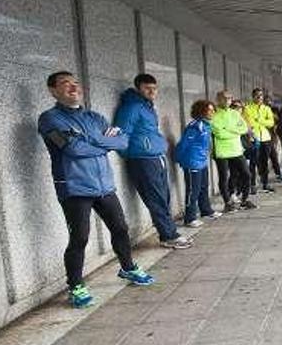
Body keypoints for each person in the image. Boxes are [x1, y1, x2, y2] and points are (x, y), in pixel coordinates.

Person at [38, 71, 154, 308]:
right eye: (64, 84)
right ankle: (76, 286)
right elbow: (73, 149)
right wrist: (104, 143)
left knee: (120, 229)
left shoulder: (95, 117)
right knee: (79, 237)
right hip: (74, 188)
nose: (72, 87)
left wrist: (93, 141)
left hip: (103, 185)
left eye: (75, 83)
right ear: (53, 91)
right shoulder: (50, 119)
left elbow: (122, 142)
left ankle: (128, 268)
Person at [114, 73, 191, 249]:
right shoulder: (132, 107)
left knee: (164, 197)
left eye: (154, 88)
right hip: (142, 159)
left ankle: (170, 231)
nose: (152, 91)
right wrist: (133, 153)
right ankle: (168, 235)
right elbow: (120, 133)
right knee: (156, 198)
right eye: (147, 88)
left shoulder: (147, 107)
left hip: (156, 157)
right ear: (138, 88)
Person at [174, 100, 222, 228]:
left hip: (202, 161)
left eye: (213, 110)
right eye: (209, 110)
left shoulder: (206, 125)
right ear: (201, 111)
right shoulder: (195, 126)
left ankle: (206, 210)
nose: (212, 112)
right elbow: (183, 144)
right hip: (192, 162)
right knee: (192, 191)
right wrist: (180, 159)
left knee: (203, 187)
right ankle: (189, 218)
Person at [211, 90, 255, 212]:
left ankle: (244, 200)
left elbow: (244, 128)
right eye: (224, 98)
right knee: (224, 177)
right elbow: (219, 133)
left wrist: (228, 129)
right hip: (222, 151)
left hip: (236, 149)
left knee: (246, 174)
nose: (227, 101)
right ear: (218, 100)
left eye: (229, 98)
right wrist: (234, 131)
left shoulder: (235, 114)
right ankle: (227, 203)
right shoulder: (214, 115)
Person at [243, 88, 278, 193]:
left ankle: (265, 183)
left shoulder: (266, 108)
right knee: (253, 162)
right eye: (257, 96)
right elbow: (248, 122)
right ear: (253, 96)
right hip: (254, 138)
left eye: (261, 96)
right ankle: (253, 184)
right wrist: (258, 123)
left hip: (266, 138)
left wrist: (260, 120)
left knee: (264, 162)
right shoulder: (247, 108)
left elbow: (271, 123)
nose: (259, 98)